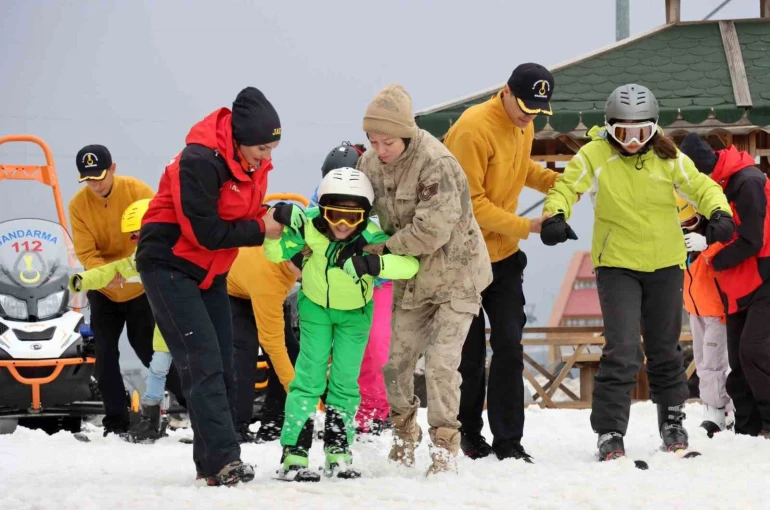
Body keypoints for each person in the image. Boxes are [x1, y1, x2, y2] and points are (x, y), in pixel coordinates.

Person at [539, 84, 733, 460]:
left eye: (641, 132)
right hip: (617, 265)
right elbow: (566, 187)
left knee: (665, 348)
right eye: (623, 132)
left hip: (665, 262)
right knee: (623, 348)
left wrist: (719, 212)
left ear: (654, 128)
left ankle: (672, 422)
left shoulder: (668, 154)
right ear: (609, 127)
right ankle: (610, 430)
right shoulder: (595, 154)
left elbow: (701, 186)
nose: (632, 141)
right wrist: (555, 215)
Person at [135, 86, 285, 486]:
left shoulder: (251, 161)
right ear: (239, 138)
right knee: (202, 360)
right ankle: (223, 461)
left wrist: (272, 214)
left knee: (224, 362)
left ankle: (210, 462)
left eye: (273, 148)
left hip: (210, 270)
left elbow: (240, 211)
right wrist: (261, 229)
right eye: (262, 149)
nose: (268, 157)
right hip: (169, 262)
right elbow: (204, 231)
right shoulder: (199, 160)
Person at [357, 84, 493, 475]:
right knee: (395, 365)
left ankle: (445, 449)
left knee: (440, 366)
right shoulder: (369, 164)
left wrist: (381, 250)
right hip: (412, 281)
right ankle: (404, 436)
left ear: (406, 133)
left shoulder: (437, 163)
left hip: (457, 278)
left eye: (388, 142)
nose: (380, 150)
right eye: (373, 141)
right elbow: (357, 212)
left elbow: (431, 231)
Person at [265, 167, 419, 481]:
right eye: (335, 215)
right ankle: (294, 451)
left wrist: (375, 262)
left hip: (355, 315)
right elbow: (274, 253)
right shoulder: (308, 225)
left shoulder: (370, 236)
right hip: (316, 310)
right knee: (309, 378)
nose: (343, 225)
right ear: (323, 209)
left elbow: (410, 265)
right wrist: (278, 222)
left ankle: (338, 450)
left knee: (346, 381)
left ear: (365, 216)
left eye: (353, 217)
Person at [443, 62, 559, 462]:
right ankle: (468, 433)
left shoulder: (524, 124)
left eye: (538, 110)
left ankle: (509, 440)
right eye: (525, 106)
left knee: (510, 344)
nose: (530, 116)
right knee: (470, 353)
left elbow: (520, 167)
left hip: (505, 257)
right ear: (506, 91)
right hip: (463, 257)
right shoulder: (472, 129)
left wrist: (557, 182)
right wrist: (529, 226)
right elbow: (471, 204)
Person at [69, 144, 183, 436]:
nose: (95, 185)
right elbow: (86, 252)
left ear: (113, 169)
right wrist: (104, 276)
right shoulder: (78, 206)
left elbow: (156, 232)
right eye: (88, 179)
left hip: (139, 288)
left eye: (99, 177)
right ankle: (116, 422)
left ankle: (191, 404)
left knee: (149, 350)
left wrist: (134, 268)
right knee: (105, 354)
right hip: (105, 290)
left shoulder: (138, 191)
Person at [679, 133, 770, 438]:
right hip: (738, 283)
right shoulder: (716, 186)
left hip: (764, 276)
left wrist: (711, 250)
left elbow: (752, 238)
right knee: (738, 360)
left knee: (754, 351)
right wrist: (697, 229)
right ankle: (747, 427)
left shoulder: (748, 182)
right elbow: (721, 226)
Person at [317, 141, 394, 436]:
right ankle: (343, 412)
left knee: (374, 344)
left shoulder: (381, 197)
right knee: (339, 349)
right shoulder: (321, 198)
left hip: (377, 281)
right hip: (339, 282)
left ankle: (374, 412)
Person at [226, 245, 301, 443]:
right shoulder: (269, 279)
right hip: (233, 293)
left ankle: (274, 423)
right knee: (243, 354)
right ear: (289, 261)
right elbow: (273, 344)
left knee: (292, 353)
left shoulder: (299, 245)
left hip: (264, 286)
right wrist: (298, 396)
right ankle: (236, 426)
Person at [675, 192, 733, 436]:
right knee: (702, 364)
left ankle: (717, 411)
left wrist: (706, 244)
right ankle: (721, 408)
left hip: (716, 312)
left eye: (690, 221)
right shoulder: (683, 247)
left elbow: (727, 247)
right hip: (695, 310)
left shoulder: (714, 241)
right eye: (682, 223)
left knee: (713, 364)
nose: (686, 227)